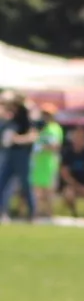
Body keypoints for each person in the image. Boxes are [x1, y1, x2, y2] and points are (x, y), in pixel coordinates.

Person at [0, 92, 37, 222]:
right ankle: (2, 212)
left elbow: (32, 136)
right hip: (9, 154)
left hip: (22, 155)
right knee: (2, 182)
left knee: (25, 185)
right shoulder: (9, 117)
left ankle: (32, 213)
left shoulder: (25, 116)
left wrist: (17, 139)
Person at [29, 103, 62, 218]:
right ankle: (36, 213)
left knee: (48, 191)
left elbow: (55, 146)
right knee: (36, 190)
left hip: (49, 162)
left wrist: (42, 147)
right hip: (38, 162)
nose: (45, 116)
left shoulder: (55, 128)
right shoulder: (39, 127)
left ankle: (49, 214)